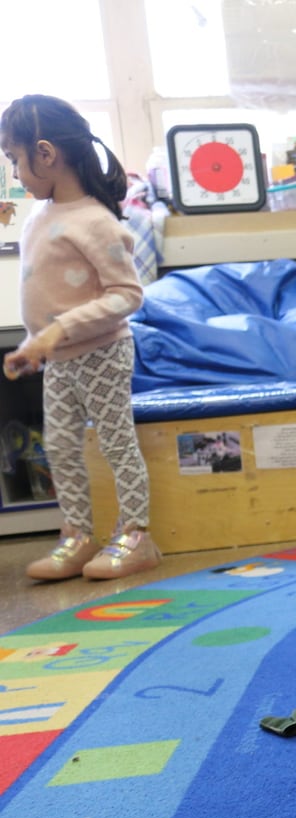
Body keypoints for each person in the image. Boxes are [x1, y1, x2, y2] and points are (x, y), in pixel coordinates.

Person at [1, 95, 159, 582]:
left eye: (14, 160)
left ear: (45, 154)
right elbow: (46, 285)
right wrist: (34, 345)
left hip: (103, 352)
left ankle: (137, 535)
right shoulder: (39, 214)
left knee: (115, 443)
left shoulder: (95, 221)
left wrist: (58, 331)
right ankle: (76, 534)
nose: (15, 175)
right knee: (62, 447)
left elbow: (128, 295)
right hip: (60, 359)